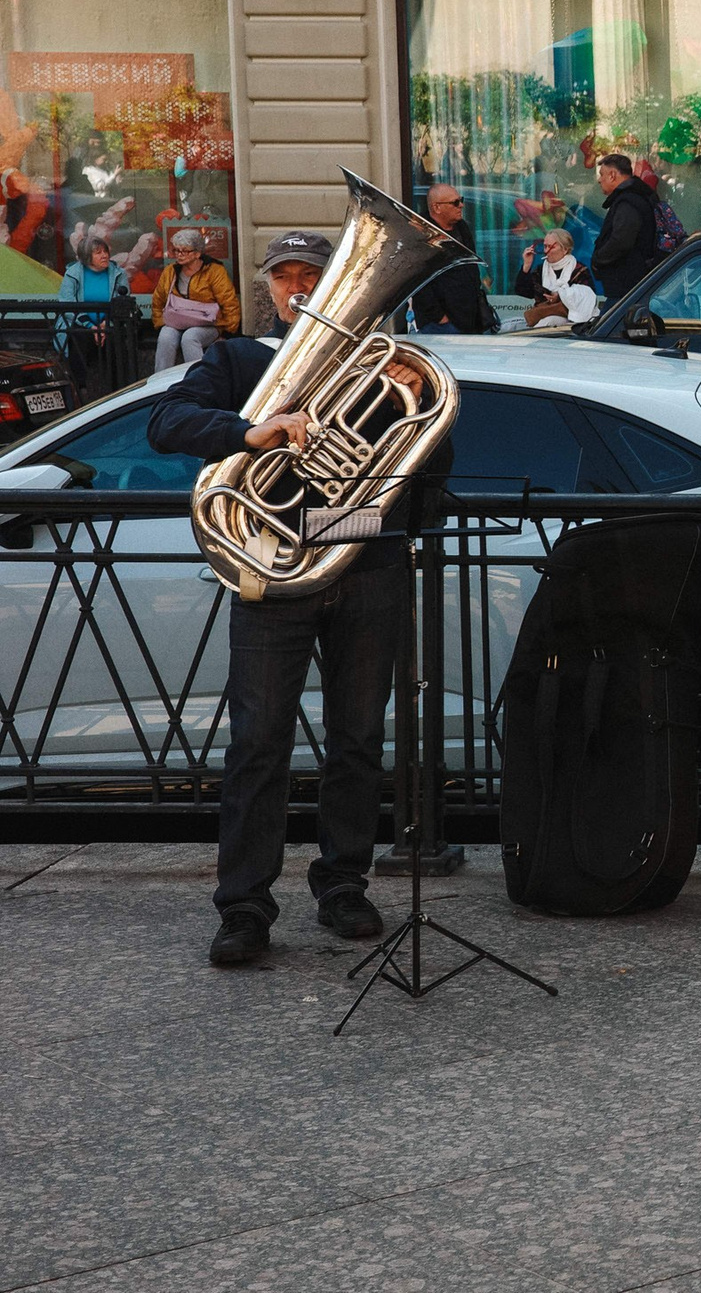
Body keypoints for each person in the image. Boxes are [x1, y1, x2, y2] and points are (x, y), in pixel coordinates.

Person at [147, 229, 439, 966]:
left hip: (365, 568)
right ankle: (244, 906)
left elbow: (425, 482)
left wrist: (416, 400)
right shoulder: (239, 360)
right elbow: (165, 423)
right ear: (268, 290)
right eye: (287, 278)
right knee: (258, 742)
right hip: (272, 571)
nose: (301, 288)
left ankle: (344, 884)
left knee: (358, 740)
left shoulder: (384, 370)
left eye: (315, 274)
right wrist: (251, 431)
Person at [409, 183, 495, 334]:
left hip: (469, 316)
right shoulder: (421, 233)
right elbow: (417, 281)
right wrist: (439, 317)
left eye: (460, 200)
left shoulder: (462, 227)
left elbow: (471, 264)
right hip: (441, 323)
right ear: (437, 207)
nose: (461, 205)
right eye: (455, 202)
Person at [152, 227, 239, 370]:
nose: (179, 255)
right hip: (177, 321)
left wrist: (228, 332)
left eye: (184, 251)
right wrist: (161, 323)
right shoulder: (170, 271)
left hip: (209, 323)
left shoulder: (214, 271)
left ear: (197, 253)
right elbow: (158, 300)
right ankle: (159, 380)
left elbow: (229, 302)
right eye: (176, 250)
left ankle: (199, 379)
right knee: (165, 336)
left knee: (190, 338)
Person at [55, 233, 127, 395]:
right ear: (87, 257)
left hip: (108, 324)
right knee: (78, 337)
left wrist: (104, 324)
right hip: (81, 323)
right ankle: (80, 390)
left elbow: (122, 303)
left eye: (105, 251)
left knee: (115, 340)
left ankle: (119, 392)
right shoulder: (73, 273)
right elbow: (67, 304)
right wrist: (91, 326)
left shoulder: (118, 273)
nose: (104, 256)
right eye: (98, 253)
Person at [589, 153, 666, 304]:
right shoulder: (633, 198)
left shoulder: (628, 202)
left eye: (602, 174)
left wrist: (598, 259)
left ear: (612, 175)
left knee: (609, 326)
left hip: (626, 288)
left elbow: (621, 240)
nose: (599, 180)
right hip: (630, 286)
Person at [514, 228, 597, 329]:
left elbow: (587, 298)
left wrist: (561, 296)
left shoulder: (579, 270)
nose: (546, 251)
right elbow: (523, 291)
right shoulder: (540, 270)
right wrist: (527, 265)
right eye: (544, 246)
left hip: (571, 319)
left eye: (550, 247)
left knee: (549, 322)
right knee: (510, 326)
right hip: (542, 314)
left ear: (565, 249)